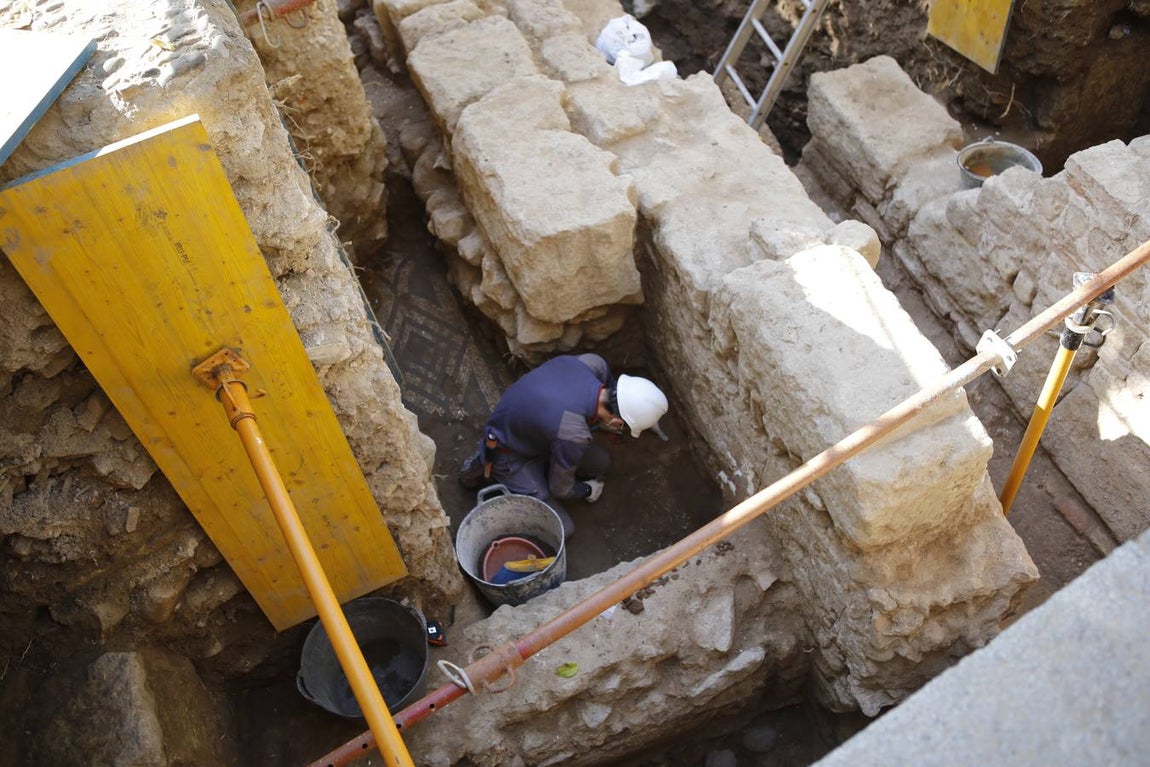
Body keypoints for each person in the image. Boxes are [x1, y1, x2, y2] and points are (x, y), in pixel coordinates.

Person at [459, 353, 669, 538]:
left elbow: (615, 396)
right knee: (563, 527)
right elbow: (560, 489)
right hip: (507, 449)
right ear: (617, 422)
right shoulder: (573, 433)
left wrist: (642, 416)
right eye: (621, 427)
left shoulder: (594, 364)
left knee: (600, 462)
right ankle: (481, 466)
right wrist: (587, 490)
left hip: (534, 424)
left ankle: (545, 461)